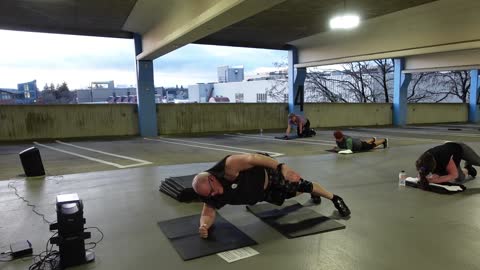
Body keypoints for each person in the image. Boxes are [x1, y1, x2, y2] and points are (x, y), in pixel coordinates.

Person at [192, 153, 351, 238]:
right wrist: (204, 225)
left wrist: (282, 167)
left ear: (212, 177)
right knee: (289, 195)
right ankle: (312, 190)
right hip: (262, 194)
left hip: (270, 174)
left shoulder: (229, 166)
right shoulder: (209, 193)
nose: (214, 195)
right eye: (210, 195)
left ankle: (334, 198)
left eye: (212, 190)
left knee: (302, 185)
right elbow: (208, 211)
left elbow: (253, 158)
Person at [415, 142, 479, 188]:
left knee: (477, 161)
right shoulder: (422, 161)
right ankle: (468, 168)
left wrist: (437, 180)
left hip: (461, 149)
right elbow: (422, 171)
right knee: (460, 178)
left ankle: (469, 161)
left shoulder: (444, 156)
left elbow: (454, 174)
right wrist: (422, 177)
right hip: (451, 157)